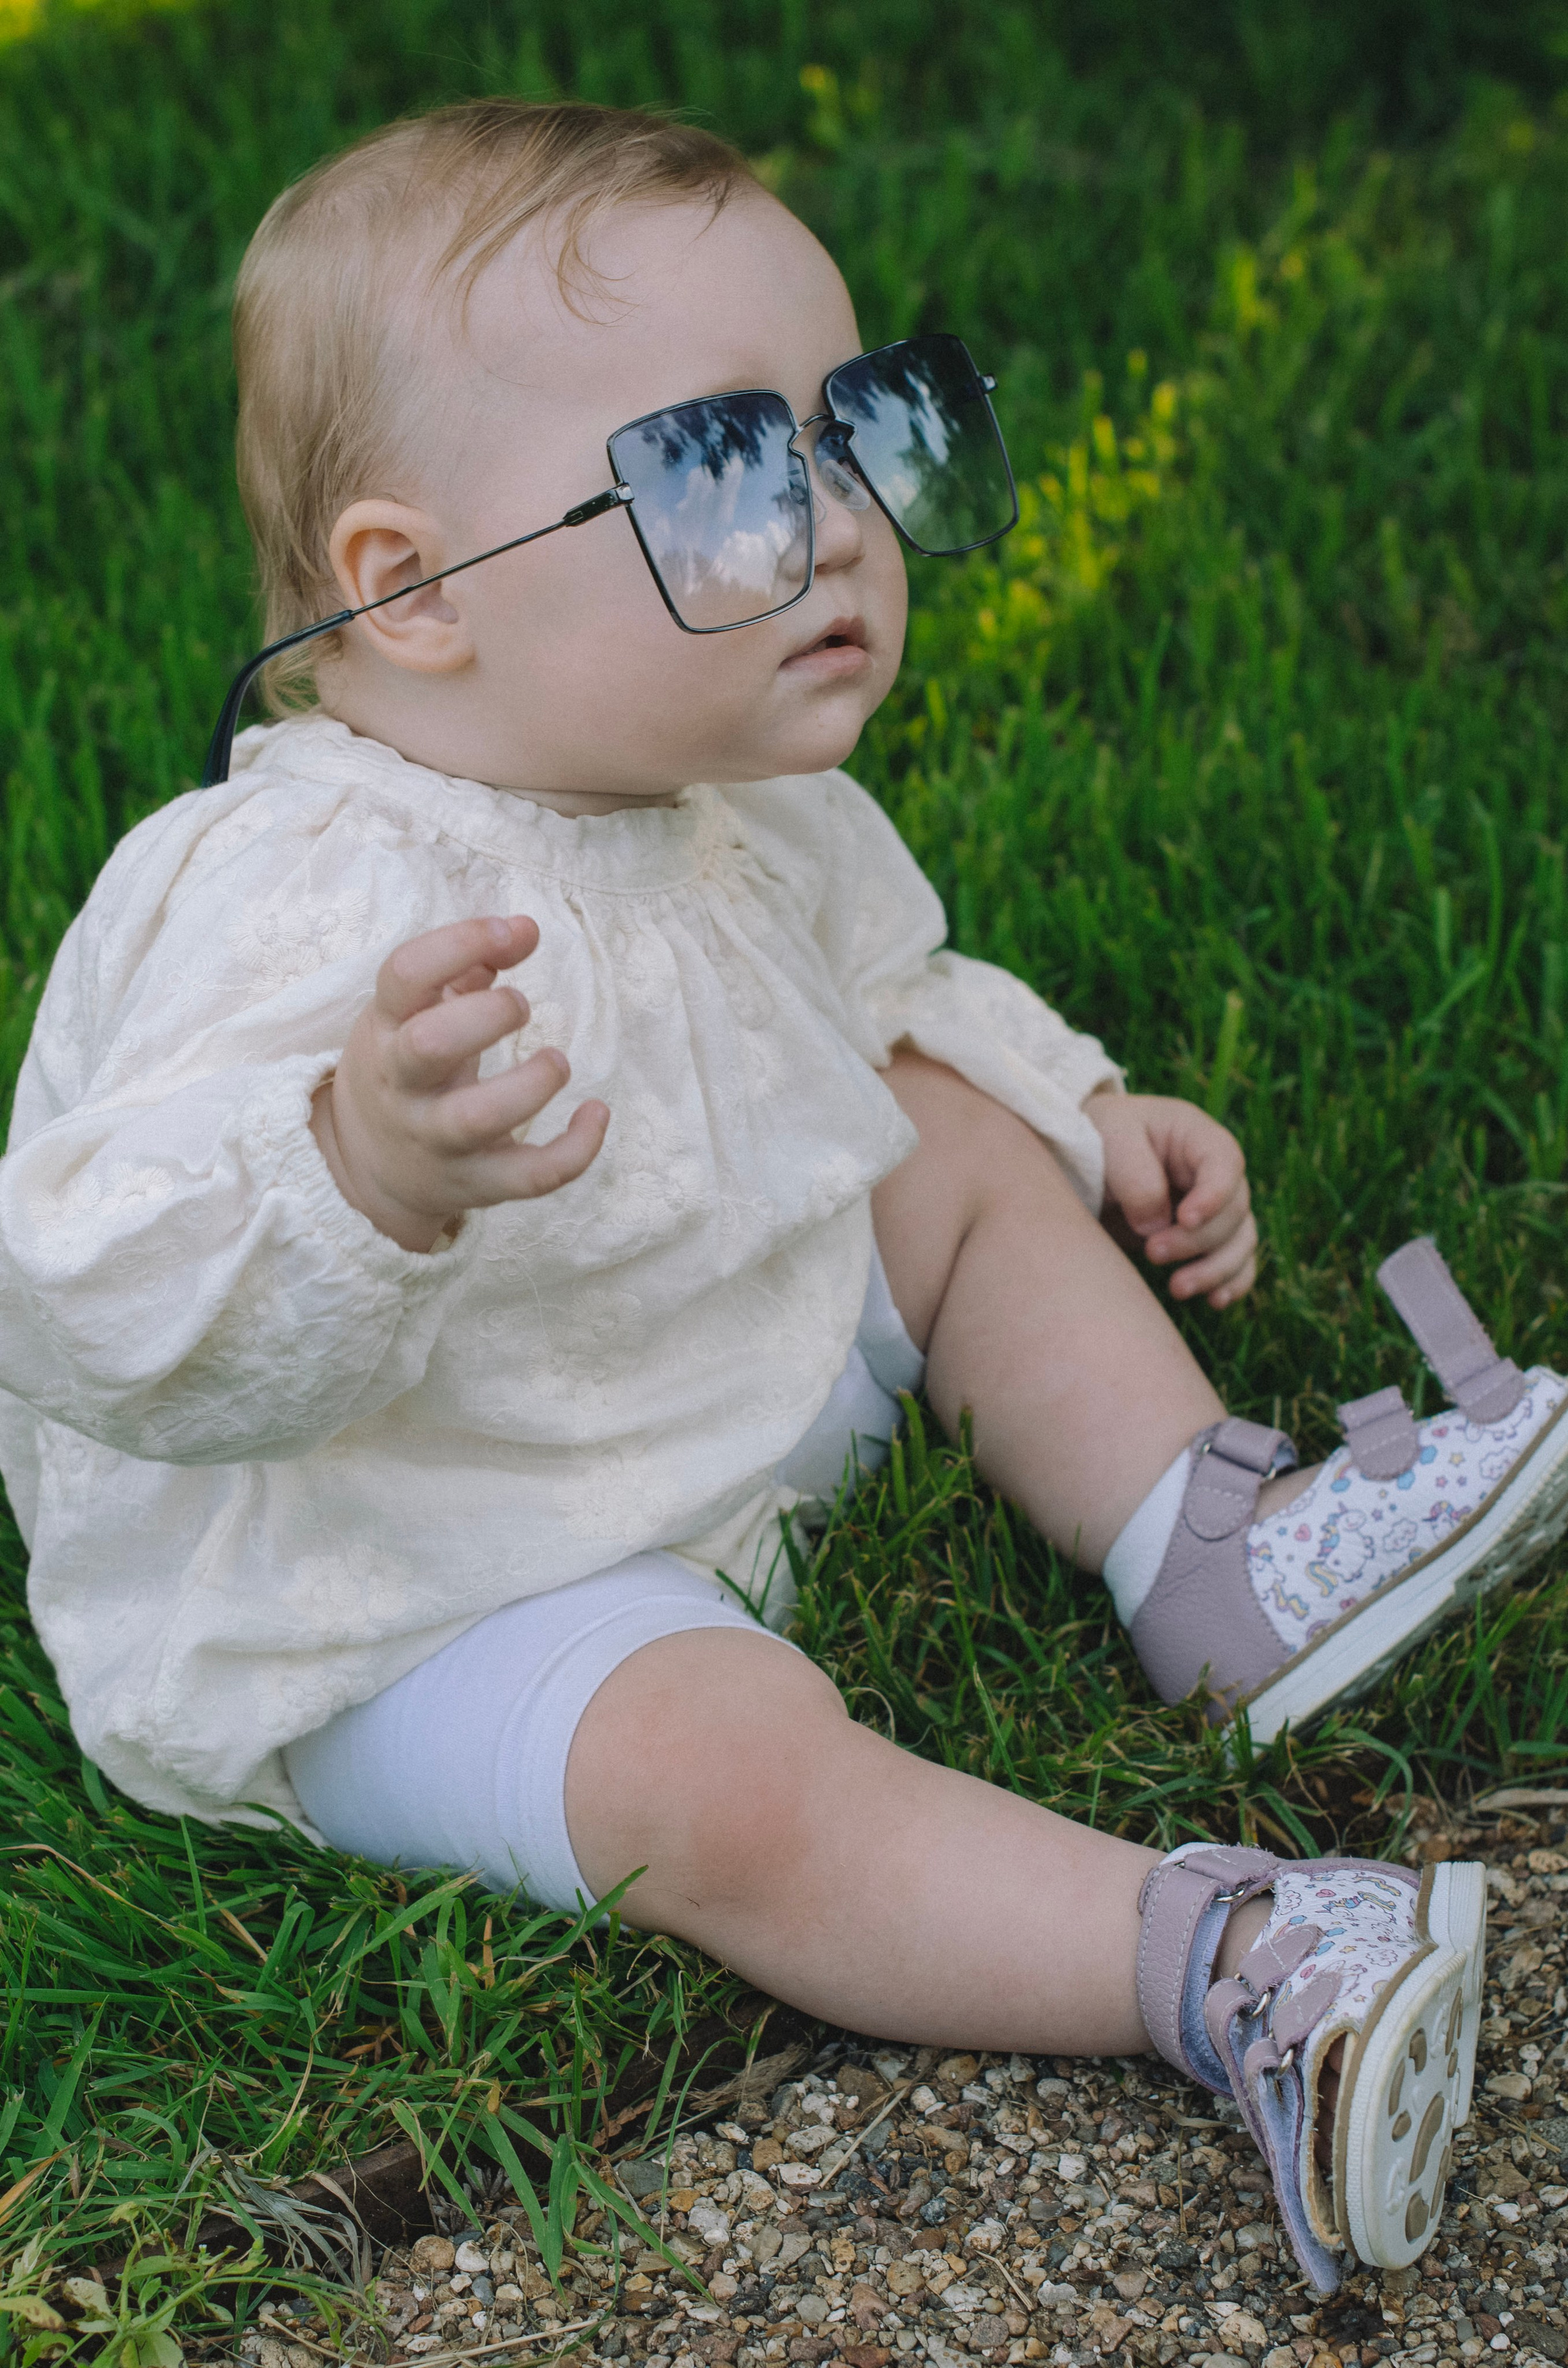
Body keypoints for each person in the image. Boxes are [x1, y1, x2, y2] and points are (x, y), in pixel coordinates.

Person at [0, 99, 1562, 2292]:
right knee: (716, 1775)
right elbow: (83, 1287)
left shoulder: (717, 791)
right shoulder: (296, 896)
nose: (838, 527)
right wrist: (358, 1164)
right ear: (405, 592)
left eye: (862, 437)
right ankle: (1216, 1955)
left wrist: (1077, 1107)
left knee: (937, 1109)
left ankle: (1215, 1543)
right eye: (728, 469)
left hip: (702, 1364)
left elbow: (881, 990)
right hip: (430, 1565)